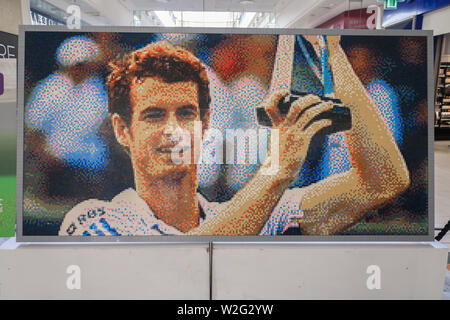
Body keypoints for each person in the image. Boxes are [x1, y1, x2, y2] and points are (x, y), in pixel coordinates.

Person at [59, 36, 410, 236]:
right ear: (123, 130)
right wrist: (277, 169)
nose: (173, 129)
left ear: (206, 122)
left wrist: (327, 48)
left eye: (186, 113)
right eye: (153, 115)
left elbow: (383, 182)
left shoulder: (260, 214)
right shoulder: (93, 219)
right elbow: (179, 269)